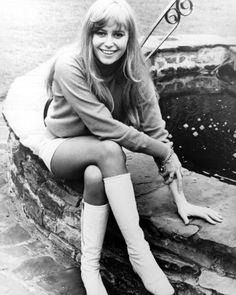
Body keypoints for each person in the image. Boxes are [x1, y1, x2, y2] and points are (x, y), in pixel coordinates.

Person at [39, 0, 223, 294]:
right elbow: (105, 128)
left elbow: (157, 132)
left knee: (96, 176)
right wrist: (165, 153)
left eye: (118, 34)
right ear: (89, 34)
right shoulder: (70, 64)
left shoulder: (135, 70)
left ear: (130, 37)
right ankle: (140, 254)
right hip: (61, 145)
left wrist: (181, 199)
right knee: (111, 149)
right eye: (101, 33)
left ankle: (89, 270)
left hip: (98, 151)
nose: (109, 43)